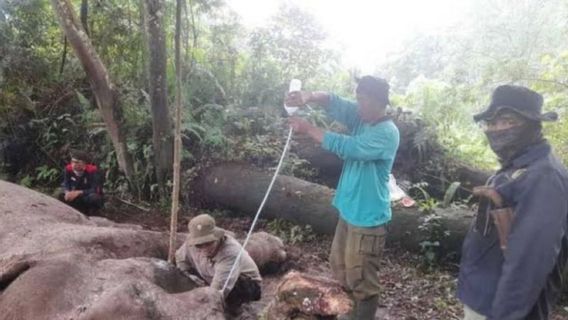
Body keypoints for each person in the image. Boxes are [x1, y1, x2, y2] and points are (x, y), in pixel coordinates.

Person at [284, 75, 400, 319]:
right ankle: (347, 313)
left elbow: (350, 147)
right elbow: (334, 102)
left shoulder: (386, 132)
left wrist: (308, 129)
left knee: (362, 281)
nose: (357, 105)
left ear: (379, 102)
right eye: (357, 98)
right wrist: (308, 97)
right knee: (341, 269)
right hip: (349, 212)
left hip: (367, 219)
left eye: (362, 100)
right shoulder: (362, 117)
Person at [458, 85, 568, 320]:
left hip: (498, 307)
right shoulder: (518, 166)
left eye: (508, 120)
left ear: (532, 124)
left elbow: (529, 261)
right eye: (492, 122)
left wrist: (504, 315)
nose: (497, 129)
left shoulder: (543, 176)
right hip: (483, 295)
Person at [175, 214, 262, 313]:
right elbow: (180, 259)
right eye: (199, 245)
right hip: (210, 277)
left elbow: (218, 289)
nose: (204, 248)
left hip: (244, 284)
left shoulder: (230, 252)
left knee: (231, 293)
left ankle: (236, 311)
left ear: (216, 237)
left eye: (208, 243)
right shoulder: (190, 243)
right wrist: (187, 275)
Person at [58, 150, 104, 214]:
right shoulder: (68, 169)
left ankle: (92, 213)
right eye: (72, 162)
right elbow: (66, 183)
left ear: (84, 163)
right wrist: (67, 192)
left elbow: (95, 189)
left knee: (94, 198)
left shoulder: (93, 171)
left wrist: (79, 192)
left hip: (86, 195)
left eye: (77, 162)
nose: (73, 164)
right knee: (61, 195)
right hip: (74, 196)